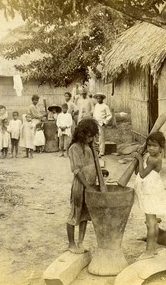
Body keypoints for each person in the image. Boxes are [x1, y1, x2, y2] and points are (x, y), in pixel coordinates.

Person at [134, 131, 166, 260]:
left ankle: (149, 251)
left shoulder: (154, 159)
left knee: (150, 222)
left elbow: (142, 174)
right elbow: (137, 172)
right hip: (148, 190)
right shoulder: (149, 156)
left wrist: (138, 158)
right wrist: (140, 159)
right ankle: (153, 248)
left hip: (151, 191)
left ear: (161, 147)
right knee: (153, 221)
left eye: (154, 146)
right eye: (149, 145)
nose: (151, 148)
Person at [67, 118, 99, 254]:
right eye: (89, 136)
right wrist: (87, 186)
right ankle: (72, 244)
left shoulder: (89, 147)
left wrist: (99, 171)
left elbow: (92, 165)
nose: (91, 138)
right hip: (80, 187)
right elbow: (77, 170)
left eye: (92, 136)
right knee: (75, 215)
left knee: (85, 216)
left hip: (91, 186)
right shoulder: (74, 148)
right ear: (82, 134)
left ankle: (81, 242)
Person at [93, 93, 112, 157]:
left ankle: (101, 152)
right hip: (95, 122)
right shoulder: (96, 105)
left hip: (101, 123)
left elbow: (109, 115)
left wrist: (105, 122)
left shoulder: (105, 106)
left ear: (102, 99)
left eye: (100, 98)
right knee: (95, 137)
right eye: (97, 98)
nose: (98, 99)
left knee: (101, 138)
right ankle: (96, 150)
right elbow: (94, 114)